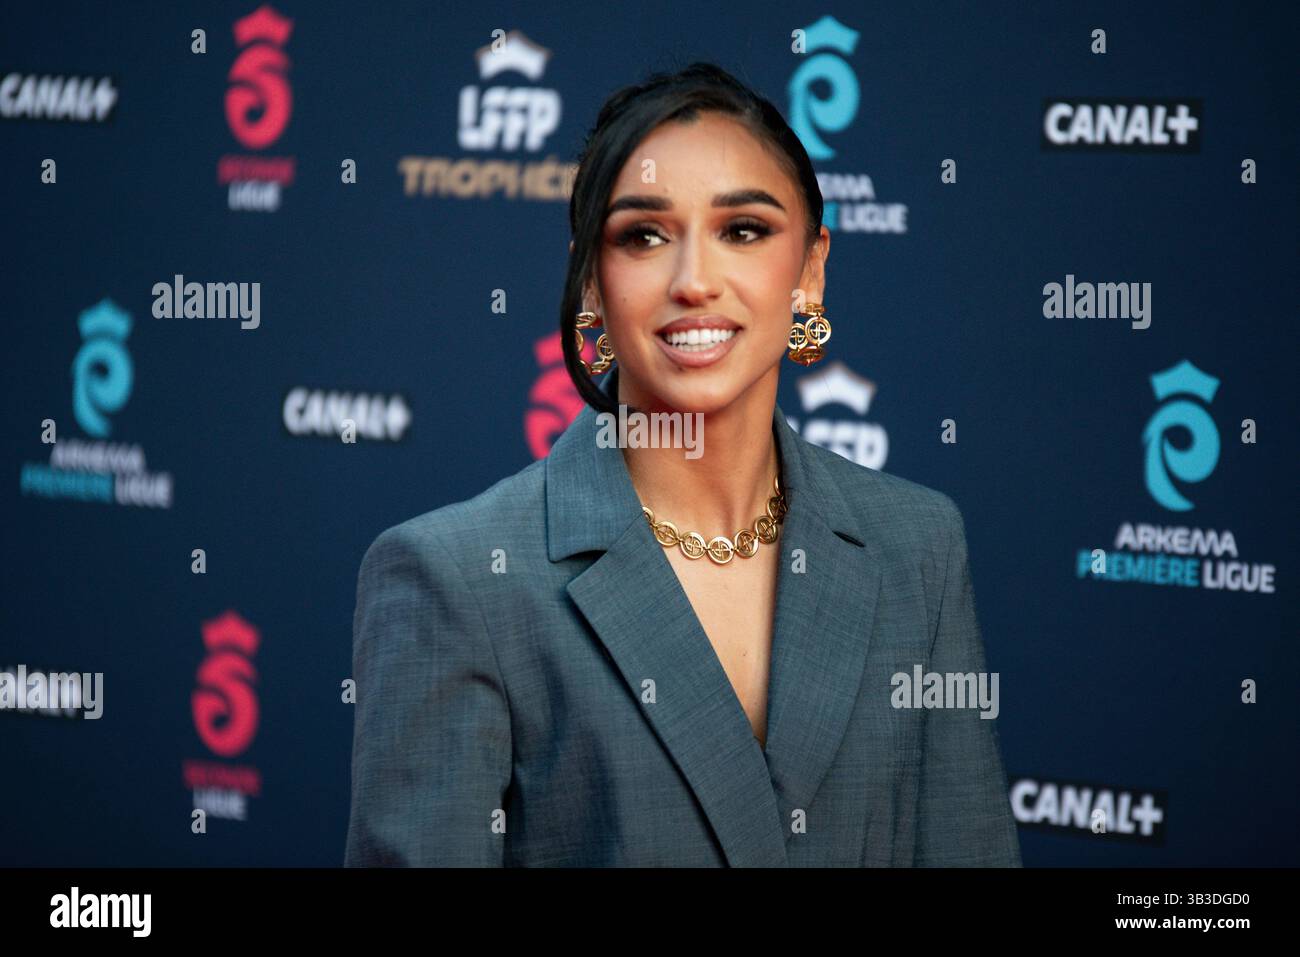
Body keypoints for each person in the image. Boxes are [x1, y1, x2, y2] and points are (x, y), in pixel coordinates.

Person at [345, 62, 1021, 867]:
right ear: (590, 280)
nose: (695, 281)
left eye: (743, 230)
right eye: (643, 236)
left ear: (810, 270)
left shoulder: (918, 545)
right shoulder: (459, 579)